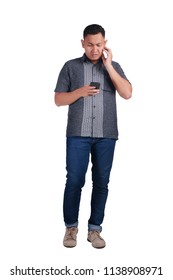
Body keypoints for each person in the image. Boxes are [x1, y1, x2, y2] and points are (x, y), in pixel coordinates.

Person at [54, 24, 132, 249]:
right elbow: (58, 100)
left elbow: (127, 93)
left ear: (105, 44)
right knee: (75, 180)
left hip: (106, 135)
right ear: (82, 43)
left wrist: (108, 66)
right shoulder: (71, 67)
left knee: (101, 183)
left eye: (99, 44)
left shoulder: (113, 66)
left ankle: (94, 230)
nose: (95, 49)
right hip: (78, 134)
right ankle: (71, 227)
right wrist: (79, 92)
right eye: (90, 44)